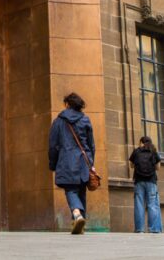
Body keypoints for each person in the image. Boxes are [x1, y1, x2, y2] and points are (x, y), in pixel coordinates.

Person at [48, 92, 96, 235]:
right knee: (81, 190)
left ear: (67, 104)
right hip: (83, 160)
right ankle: (79, 223)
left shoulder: (58, 122)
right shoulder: (85, 120)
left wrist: (53, 163)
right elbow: (91, 144)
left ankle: (77, 215)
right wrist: (91, 162)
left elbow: (52, 145)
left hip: (66, 160)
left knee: (71, 189)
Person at [129, 135, 162, 233]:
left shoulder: (136, 151)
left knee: (139, 205)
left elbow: (131, 165)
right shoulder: (153, 151)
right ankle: (154, 229)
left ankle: (139, 229)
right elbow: (158, 168)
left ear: (141, 142)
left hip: (139, 181)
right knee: (152, 205)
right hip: (151, 181)